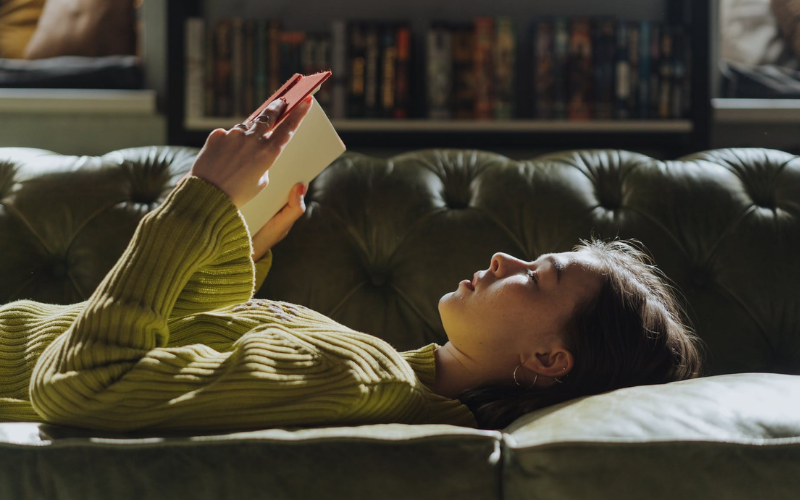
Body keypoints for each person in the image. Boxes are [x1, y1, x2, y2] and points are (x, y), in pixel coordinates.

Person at [0, 95, 706, 432]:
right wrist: (236, 245)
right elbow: (170, 348)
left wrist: (198, 202)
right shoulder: (382, 367)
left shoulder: (358, 378)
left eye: (536, 276)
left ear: (550, 360)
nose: (502, 256)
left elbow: (81, 383)